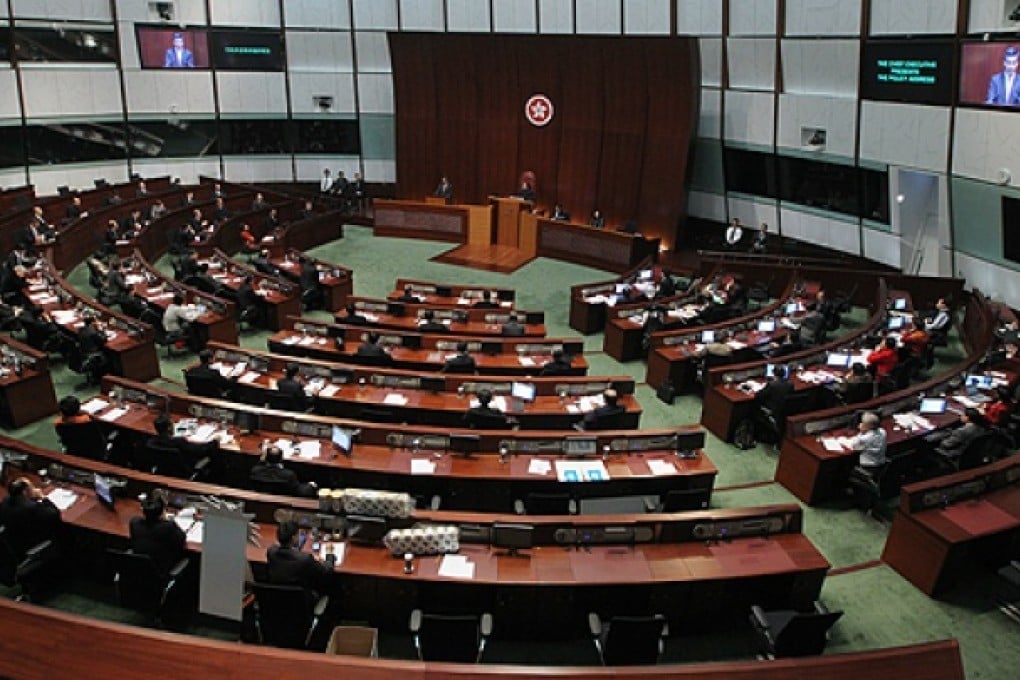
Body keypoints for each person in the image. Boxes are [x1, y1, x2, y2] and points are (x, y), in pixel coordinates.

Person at [0, 477, 64, 558]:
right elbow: (55, 514)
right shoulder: (31, 508)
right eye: (32, 487)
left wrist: (32, 497)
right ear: (24, 492)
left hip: (14, 543)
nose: (35, 489)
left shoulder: (6, 501)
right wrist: (43, 497)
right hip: (30, 545)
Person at [266, 520, 331, 596]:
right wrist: (330, 557)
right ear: (293, 538)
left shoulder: (271, 552)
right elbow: (326, 571)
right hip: (304, 602)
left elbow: (277, 548)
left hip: (278, 598)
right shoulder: (305, 559)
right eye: (298, 535)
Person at [129, 494, 186, 576]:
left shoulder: (134, 522)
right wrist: (166, 520)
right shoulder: (168, 527)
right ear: (162, 512)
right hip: (160, 574)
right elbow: (182, 539)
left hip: (137, 572)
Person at [250, 445, 316, 497]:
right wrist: (310, 485)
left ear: (265, 458)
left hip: (262, 497)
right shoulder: (288, 475)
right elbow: (298, 490)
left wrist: (261, 460)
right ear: (281, 459)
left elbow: (259, 467)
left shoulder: (256, 471)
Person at [755, 365, 794, 439]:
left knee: (755, 406)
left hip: (771, 410)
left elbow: (759, 396)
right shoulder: (790, 384)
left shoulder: (772, 385)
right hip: (783, 410)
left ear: (773, 373)